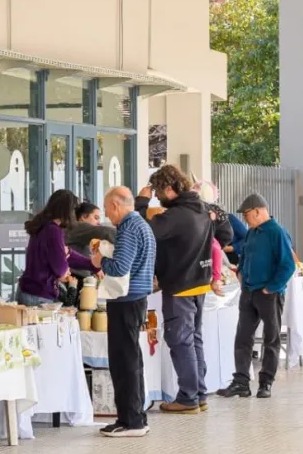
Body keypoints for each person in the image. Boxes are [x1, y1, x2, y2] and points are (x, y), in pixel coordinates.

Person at [90, 187, 156, 437]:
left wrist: (100, 261)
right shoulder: (143, 226)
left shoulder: (128, 228)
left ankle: (130, 421)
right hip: (138, 298)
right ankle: (135, 417)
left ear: (116, 205)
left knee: (123, 361)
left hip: (125, 301)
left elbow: (119, 267)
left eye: (107, 209)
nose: (107, 214)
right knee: (132, 358)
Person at [149, 164, 215, 414]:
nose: (158, 198)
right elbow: (226, 231)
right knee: (194, 339)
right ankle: (199, 394)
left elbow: (146, 231)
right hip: (199, 283)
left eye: (158, 192)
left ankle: (187, 398)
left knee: (180, 341)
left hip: (180, 285)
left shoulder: (175, 216)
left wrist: (142, 204)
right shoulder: (203, 209)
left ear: (169, 188)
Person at [217, 193, 295, 399]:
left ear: (258, 211)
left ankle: (266, 382)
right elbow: (244, 256)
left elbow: (288, 265)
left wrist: (271, 288)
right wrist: (241, 273)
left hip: (268, 294)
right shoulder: (252, 232)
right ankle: (241, 382)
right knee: (243, 337)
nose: (245, 219)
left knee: (271, 338)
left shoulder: (277, 233)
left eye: (247, 214)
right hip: (249, 292)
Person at [16, 190, 97, 306]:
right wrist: (65, 258)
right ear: (67, 210)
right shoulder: (53, 230)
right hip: (38, 294)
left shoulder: (43, 226)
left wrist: (93, 265)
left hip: (29, 290)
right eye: (73, 210)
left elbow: (68, 255)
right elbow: (61, 270)